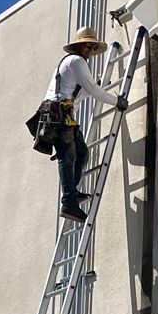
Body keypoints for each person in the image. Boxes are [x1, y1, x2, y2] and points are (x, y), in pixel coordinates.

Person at [45, 27, 120, 222]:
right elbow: (92, 90)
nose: (89, 50)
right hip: (59, 114)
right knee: (67, 156)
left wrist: (100, 87)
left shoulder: (74, 63)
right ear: (79, 45)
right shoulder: (76, 60)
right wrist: (117, 101)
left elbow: (80, 94)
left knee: (81, 153)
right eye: (88, 46)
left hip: (63, 113)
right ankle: (69, 203)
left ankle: (72, 194)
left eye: (93, 47)